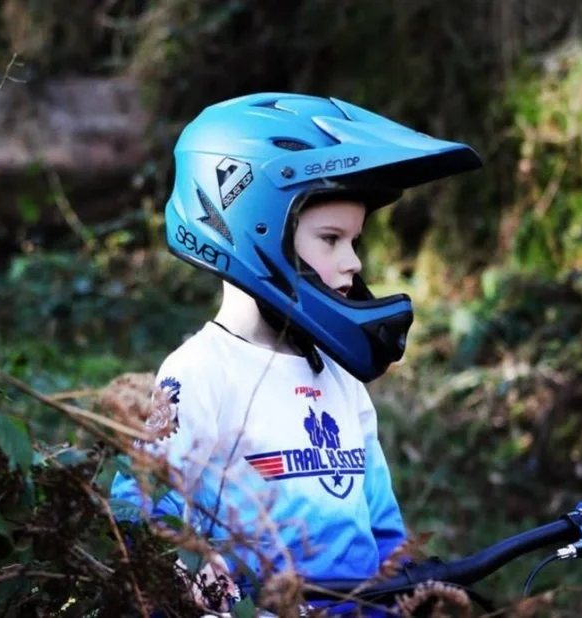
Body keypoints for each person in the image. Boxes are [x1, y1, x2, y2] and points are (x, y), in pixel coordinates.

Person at [111, 92, 482, 614]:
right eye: (331, 239)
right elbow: (136, 510)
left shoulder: (341, 374)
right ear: (256, 228)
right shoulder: (203, 372)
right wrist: (190, 563)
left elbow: (383, 534)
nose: (351, 261)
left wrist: (413, 592)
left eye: (355, 240)